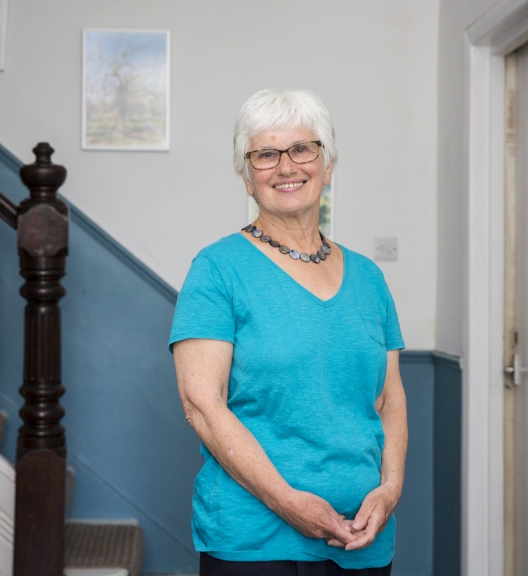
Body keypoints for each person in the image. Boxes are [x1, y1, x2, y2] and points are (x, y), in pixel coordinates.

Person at [170, 89, 407, 576]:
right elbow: (201, 404)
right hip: (257, 544)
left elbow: (390, 399)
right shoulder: (217, 269)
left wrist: (390, 489)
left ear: (328, 163)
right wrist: (289, 503)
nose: (286, 166)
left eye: (304, 148)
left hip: (364, 540)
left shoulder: (368, 278)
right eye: (266, 154)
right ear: (246, 176)